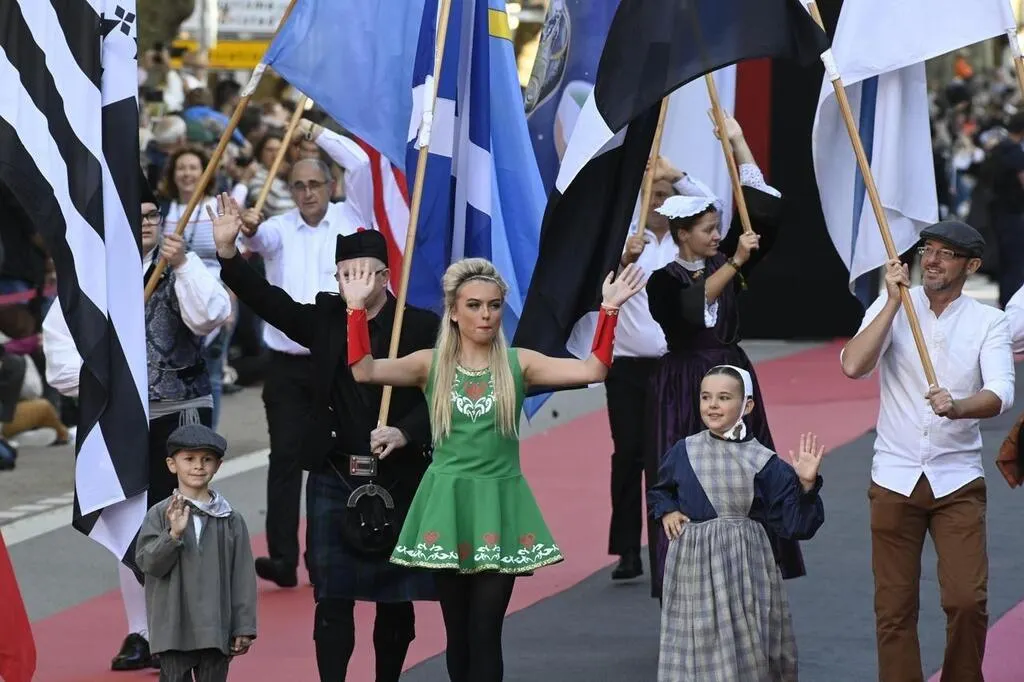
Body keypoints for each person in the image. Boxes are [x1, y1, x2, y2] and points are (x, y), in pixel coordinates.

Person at [341, 256, 646, 681]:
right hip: (447, 503)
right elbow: (364, 370)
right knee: (459, 633)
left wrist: (609, 310)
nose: (486, 315)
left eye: (494, 305)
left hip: (499, 501)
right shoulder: (430, 363)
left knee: (486, 631)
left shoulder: (518, 363)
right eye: (474, 305)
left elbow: (592, 370)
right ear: (453, 311)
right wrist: (356, 309)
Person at [211, 195, 438, 681]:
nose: (353, 282)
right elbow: (269, 302)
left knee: (396, 604)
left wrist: (406, 431)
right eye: (345, 274)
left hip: (400, 476)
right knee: (332, 599)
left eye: (364, 272)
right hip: (338, 471)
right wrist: (229, 255)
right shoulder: (325, 320)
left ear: (384, 276)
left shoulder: (421, 325)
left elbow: (442, 395)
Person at [42, 175, 232, 671]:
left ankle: (193, 624)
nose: (146, 224)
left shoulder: (185, 268)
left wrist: (184, 263)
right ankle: (141, 629)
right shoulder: (93, 278)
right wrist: (104, 375)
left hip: (179, 415)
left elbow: (211, 316)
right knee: (131, 522)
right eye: (136, 217)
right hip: (119, 419)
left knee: (185, 519)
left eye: (152, 215)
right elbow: (59, 360)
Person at [840, 220, 1015, 682]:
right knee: (893, 608)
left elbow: (1001, 393)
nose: (931, 260)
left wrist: (957, 407)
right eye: (928, 250)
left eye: (946, 253)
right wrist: (893, 303)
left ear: (971, 265)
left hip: (957, 480)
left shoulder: (989, 321)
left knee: (966, 600)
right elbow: (853, 365)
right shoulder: (892, 305)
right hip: (893, 478)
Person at [643, 126, 792, 600]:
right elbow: (689, 309)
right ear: (682, 235)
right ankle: (687, 585)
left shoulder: (724, 262)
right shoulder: (661, 280)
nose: (716, 236)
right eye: (707, 230)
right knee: (686, 478)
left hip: (732, 375)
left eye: (716, 229)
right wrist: (734, 263)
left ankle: (747, 574)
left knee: (747, 473)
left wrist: (739, 143)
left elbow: (762, 214)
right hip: (683, 384)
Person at [237, 120, 376, 589]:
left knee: (341, 453)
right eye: (298, 186)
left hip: (338, 361)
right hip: (286, 365)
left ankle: (337, 547)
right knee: (285, 459)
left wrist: (315, 130)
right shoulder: (278, 227)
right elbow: (258, 242)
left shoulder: (351, 217)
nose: (307, 193)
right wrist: (248, 229)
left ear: (330, 186)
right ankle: (282, 558)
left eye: (315, 184)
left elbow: (358, 160)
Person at [649, 365, 825, 681]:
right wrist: (667, 511)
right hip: (693, 565)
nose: (712, 405)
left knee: (747, 634)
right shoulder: (684, 450)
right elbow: (661, 489)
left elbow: (795, 524)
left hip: (745, 566)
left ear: (747, 405)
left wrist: (806, 486)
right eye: (706, 397)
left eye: (724, 397)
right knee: (696, 633)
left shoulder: (764, 461)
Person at [606, 152, 729, 582]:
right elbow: (600, 284)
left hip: (673, 367)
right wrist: (624, 258)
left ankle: (679, 535)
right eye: (651, 193)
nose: (657, 201)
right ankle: (626, 548)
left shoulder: (686, 247)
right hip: (626, 367)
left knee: (674, 454)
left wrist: (677, 174)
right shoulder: (628, 242)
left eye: (664, 195)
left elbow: (714, 206)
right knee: (629, 455)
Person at [136, 424, 258, 682]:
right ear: (172, 464)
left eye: (207, 460)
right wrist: (173, 535)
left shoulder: (230, 519)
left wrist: (244, 626)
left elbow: (242, 577)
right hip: (173, 631)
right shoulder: (159, 515)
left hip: (216, 631)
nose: (198, 466)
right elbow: (149, 564)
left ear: (218, 465)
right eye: (189, 459)